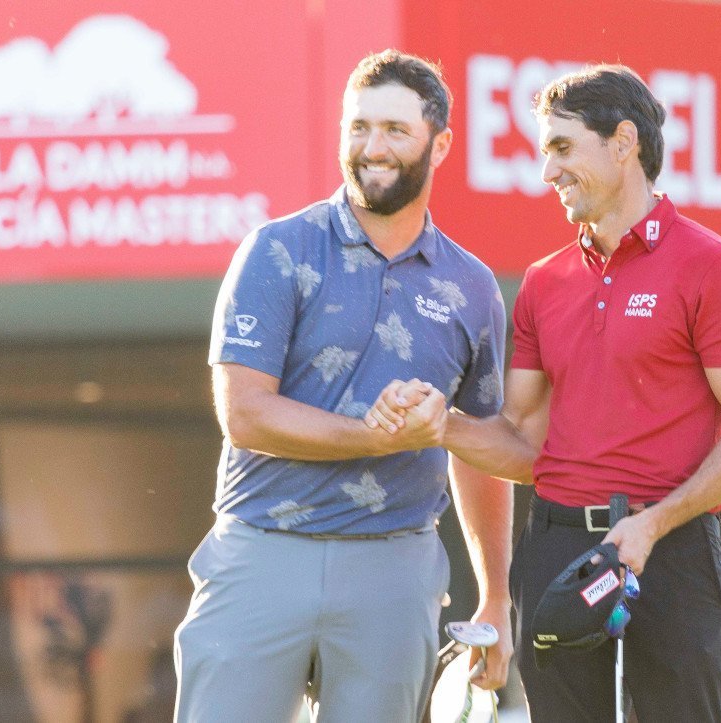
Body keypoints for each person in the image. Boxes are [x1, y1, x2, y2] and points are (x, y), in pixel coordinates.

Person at [370, 64, 721, 722]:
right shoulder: (543, 282)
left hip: (672, 549)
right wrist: (439, 424)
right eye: (544, 151)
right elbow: (524, 442)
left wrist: (653, 522)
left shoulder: (715, 266)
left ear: (623, 143)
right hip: (558, 546)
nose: (547, 171)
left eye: (562, 148)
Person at [174, 50, 513, 723]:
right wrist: (376, 435)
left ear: (439, 143)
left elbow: (483, 446)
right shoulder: (277, 249)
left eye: (394, 130)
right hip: (261, 549)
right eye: (357, 128)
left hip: (396, 564)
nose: (372, 148)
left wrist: (496, 594)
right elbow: (244, 413)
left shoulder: (474, 287)